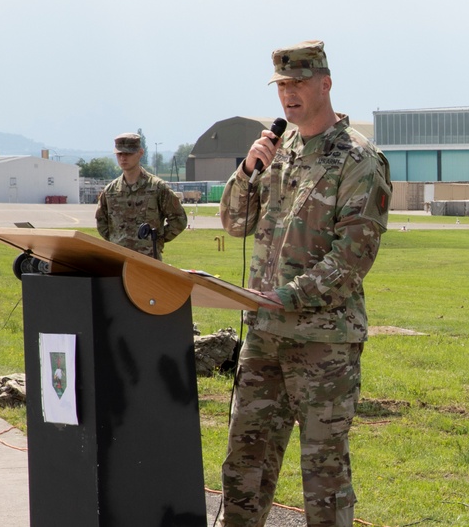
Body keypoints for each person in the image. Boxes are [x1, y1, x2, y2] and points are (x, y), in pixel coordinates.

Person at [218, 40, 392, 527]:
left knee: (323, 475)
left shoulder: (358, 159)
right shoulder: (279, 150)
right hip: (265, 337)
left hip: (324, 343)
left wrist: (286, 297)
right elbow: (234, 223)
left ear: (325, 84)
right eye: (281, 86)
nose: (288, 96)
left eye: (297, 84)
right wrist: (247, 168)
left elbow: (353, 256)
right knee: (243, 468)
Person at [95, 132, 188, 259]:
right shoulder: (110, 191)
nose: (123, 158)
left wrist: (157, 240)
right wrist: (116, 240)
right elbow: (101, 222)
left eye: (128, 153)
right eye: (119, 154)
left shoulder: (157, 187)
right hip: (118, 258)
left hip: (148, 259)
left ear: (140, 153)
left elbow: (179, 220)